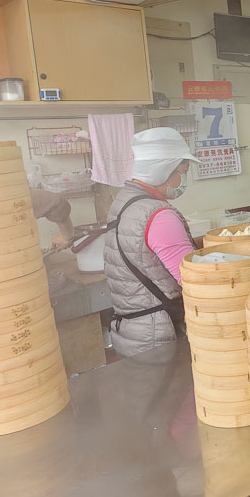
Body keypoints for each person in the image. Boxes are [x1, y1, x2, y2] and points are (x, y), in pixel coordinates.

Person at [104, 128, 199, 358]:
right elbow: (195, 280)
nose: (183, 179)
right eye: (183, 171)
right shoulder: (159, 216)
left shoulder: (124, 201)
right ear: (164, 171)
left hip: (132, 330)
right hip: (159, 336)